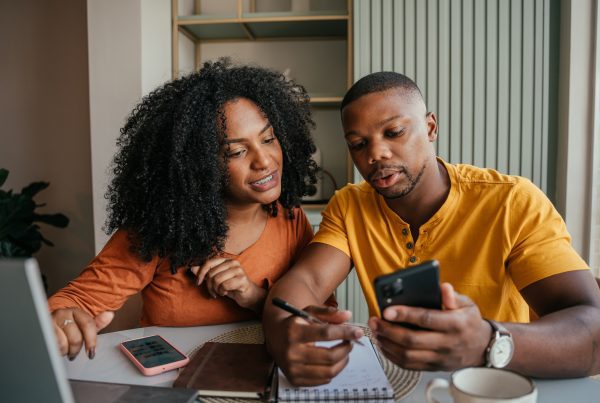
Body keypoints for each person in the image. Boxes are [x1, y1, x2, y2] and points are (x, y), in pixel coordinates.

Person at [263, 71, 600, 385]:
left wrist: (487, 341)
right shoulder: (350, 205)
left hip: (499, 384)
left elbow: (593, 331)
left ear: (431, 128)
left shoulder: (512, 201)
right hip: (403, 385)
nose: (376, 154)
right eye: (358, 144)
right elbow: (305, 281)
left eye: (394, 132)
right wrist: (286, 336)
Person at [48, 59, 320, 361]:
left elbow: (318, 317)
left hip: (265, 376)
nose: (265, 161)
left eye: (269, 139)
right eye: (236, 151)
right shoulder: (159, 229)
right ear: (198, 163)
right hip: (171, 385)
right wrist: (64, 318)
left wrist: (253, 296)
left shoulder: (292, 220)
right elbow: (77, 300)